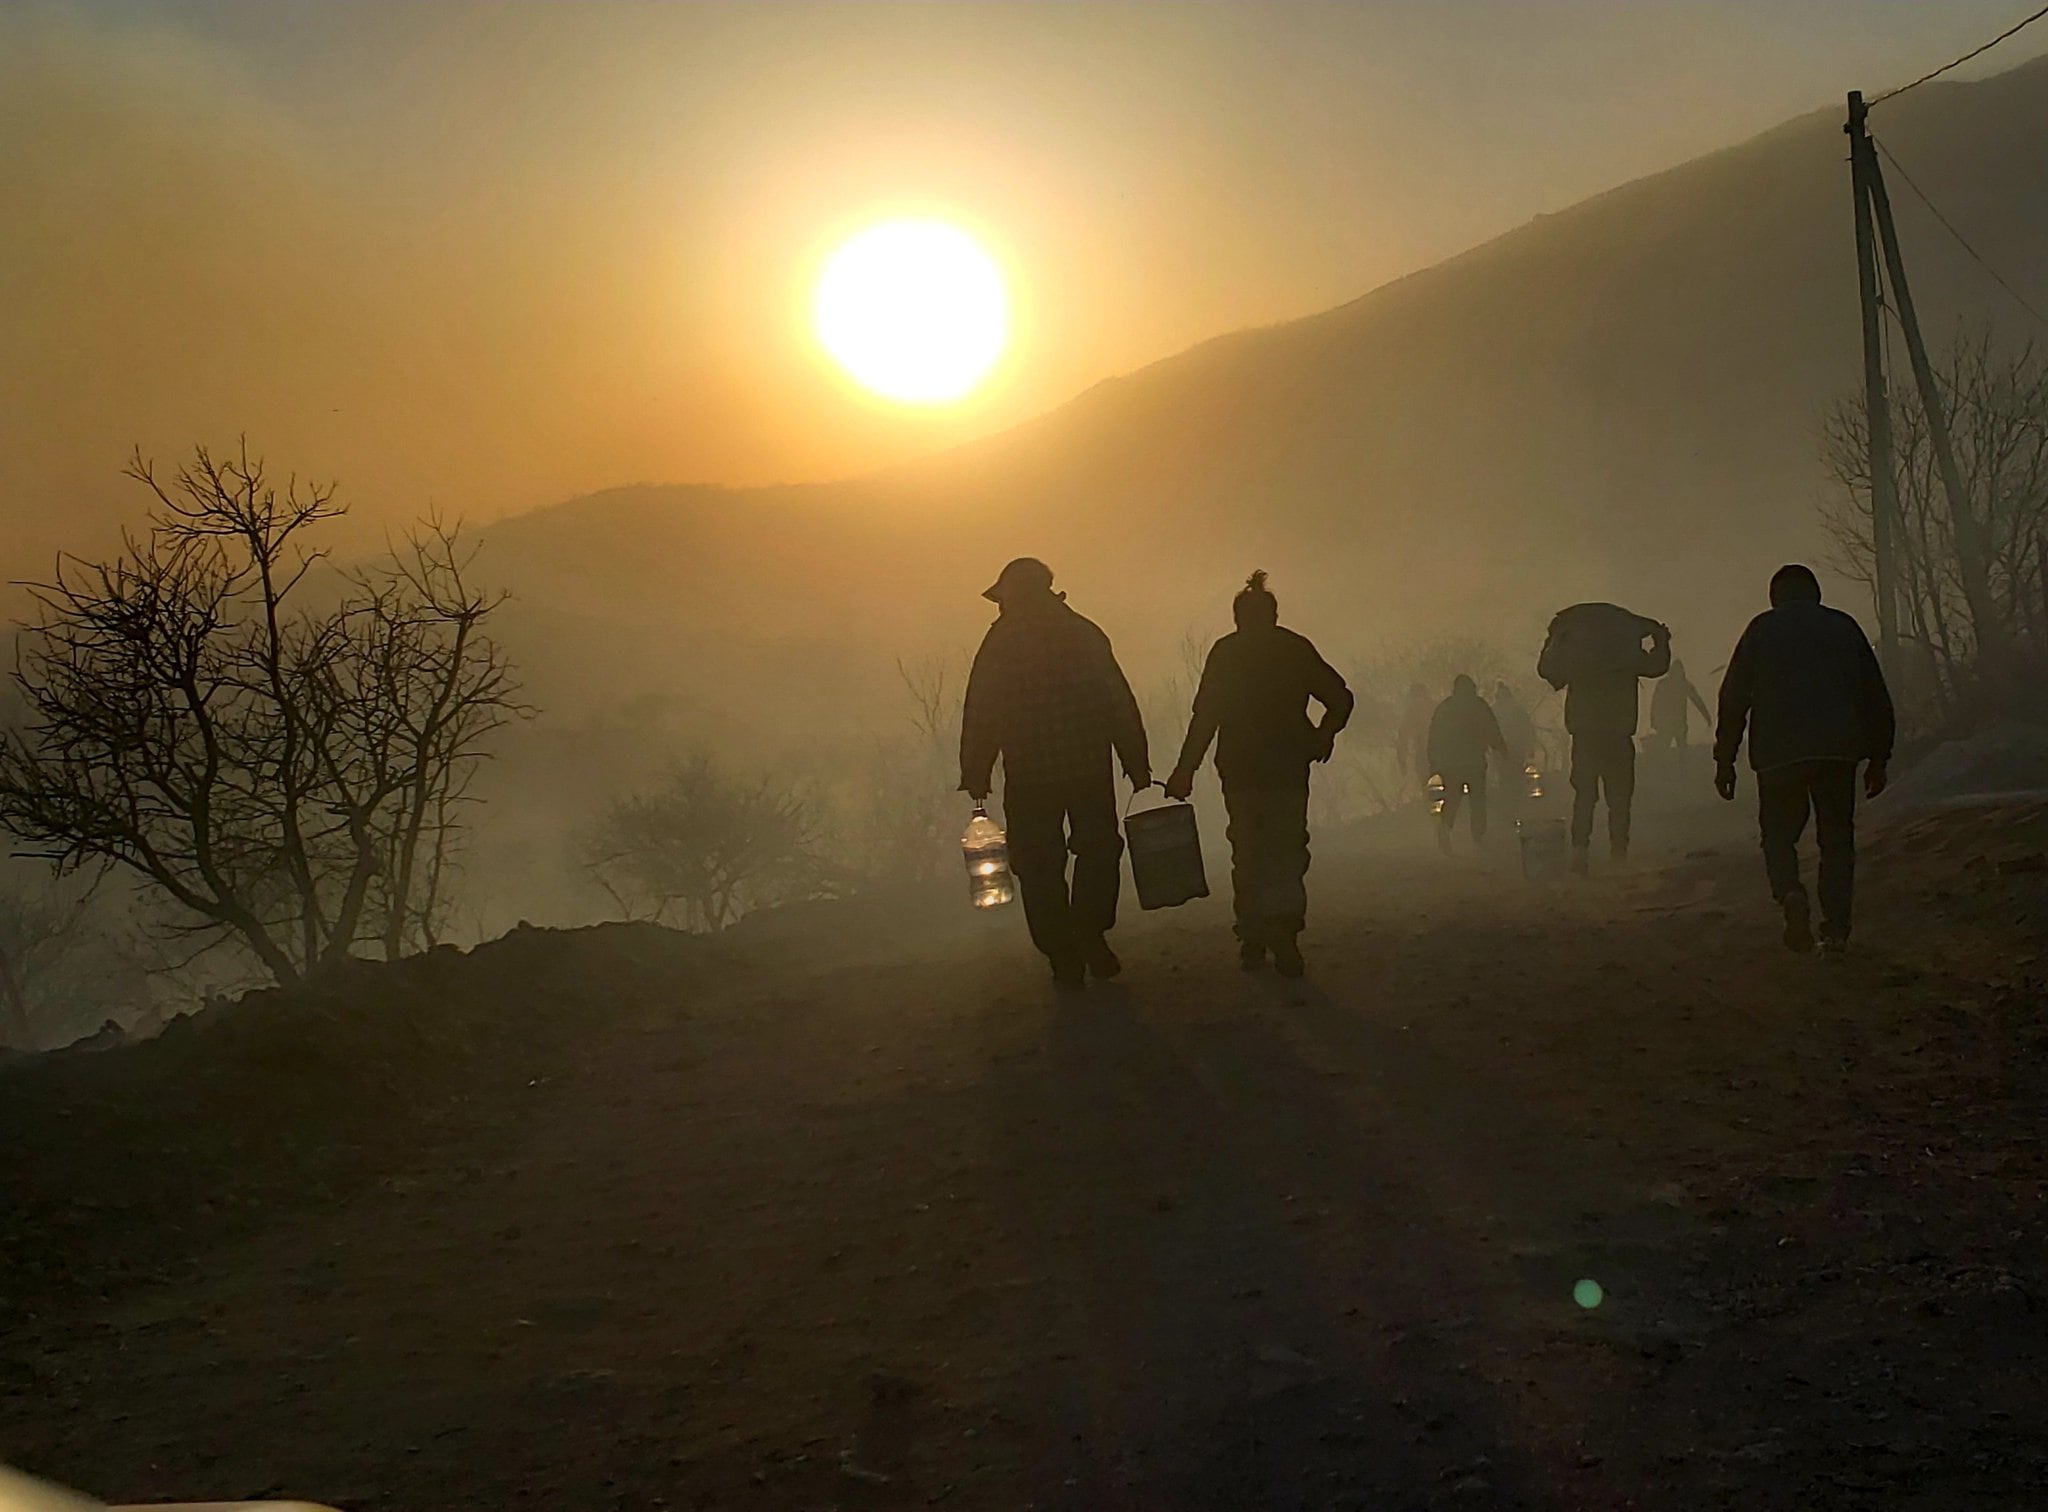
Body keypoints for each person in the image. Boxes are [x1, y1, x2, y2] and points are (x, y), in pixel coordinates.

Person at [960, 558, 1150, 988]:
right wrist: (1135, 761)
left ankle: (1062, 953)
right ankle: (1090, 932)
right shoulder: (1083, 633)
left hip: (1028, 776)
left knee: (1039, 866)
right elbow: (1116, 699)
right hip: (1088, 769)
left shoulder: (1000, 643)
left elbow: (982, 710)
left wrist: (976, 770)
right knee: (1098, 852)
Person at [1164, 571, 1353, 977]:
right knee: (1286, 849)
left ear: (1237, 618)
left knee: (1248, 851)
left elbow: (1205, 718)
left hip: (1241, 769)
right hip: (1287, 766)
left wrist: (1185, 770)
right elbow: (1340, 699)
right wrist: (1324, 734)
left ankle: (1253, 933)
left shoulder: (1226, 654)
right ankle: (1283, 930)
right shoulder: (1293, 649)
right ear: (1274, 615)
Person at [1713, 564, 1894, 954]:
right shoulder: (1844, 627)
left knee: (1778, 836)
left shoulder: (1760, 630)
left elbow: (1733, 700)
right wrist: (1879, 757)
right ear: (1815, 594)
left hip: (1779, 756)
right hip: (1836, 752)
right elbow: (1875, 695)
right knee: (1836, 842)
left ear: (1775, 596)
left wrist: (1724, 761)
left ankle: (1790, 892)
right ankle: (1836, 932)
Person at [1538, 604, 1671, 875]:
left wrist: (1553, 639)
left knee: (1585, 795)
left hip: (1585, 733)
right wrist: (1661, 640)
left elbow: (1548, 671)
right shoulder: (1625, 648)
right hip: (1618, 733)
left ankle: (1580, 853)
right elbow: (1657, 666)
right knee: (1620, 798)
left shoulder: (1575, 652)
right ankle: (1618, 854)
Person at [1426, 675, 1509, 851]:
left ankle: (1445, 830)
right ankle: (1478, 838)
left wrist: (1433, 763)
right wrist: (1502, 750)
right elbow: (1492, 729)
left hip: (1451, 764)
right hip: (1474, 762)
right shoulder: (1478, 705)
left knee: (1453, 799)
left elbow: (1434, 737)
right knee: (1477, 801)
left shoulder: (1445, 708)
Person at [1647, 657, 1713, 752]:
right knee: (1677, 750)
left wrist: (1653, 721)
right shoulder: (1682, 684)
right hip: (1673, 723)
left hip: (1671, 724)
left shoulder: (1665, 684)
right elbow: (1697, 701)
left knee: (1668, 749)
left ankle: (1671, 765)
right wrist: (1707, 716)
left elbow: (1655, 703)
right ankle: (1678, 765)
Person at [1397, 682, 1433, 780]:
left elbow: (1402, 740)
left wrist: (1402, 762)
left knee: (1427, 788)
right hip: (1441, 757)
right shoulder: (1437, 708)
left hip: (1424, 758)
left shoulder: (1411, 714)